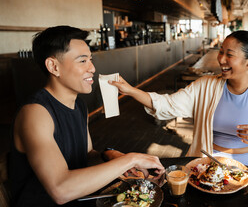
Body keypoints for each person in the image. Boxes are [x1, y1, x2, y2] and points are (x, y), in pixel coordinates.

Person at [9, 26, 164, 207]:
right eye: (82, 61)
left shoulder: (79, 105)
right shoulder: (35, 113)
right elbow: (61, 190)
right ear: (53, 66)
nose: (92, 68)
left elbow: (87, 154)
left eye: (91, 59)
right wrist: (131, 159)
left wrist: (112, 155)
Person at [110, 30, 248, 170]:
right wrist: (131, 91)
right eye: (221, 52)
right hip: (206, 163)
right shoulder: (206, 86)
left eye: (229, 55)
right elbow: (168, 104)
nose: (221, 59)